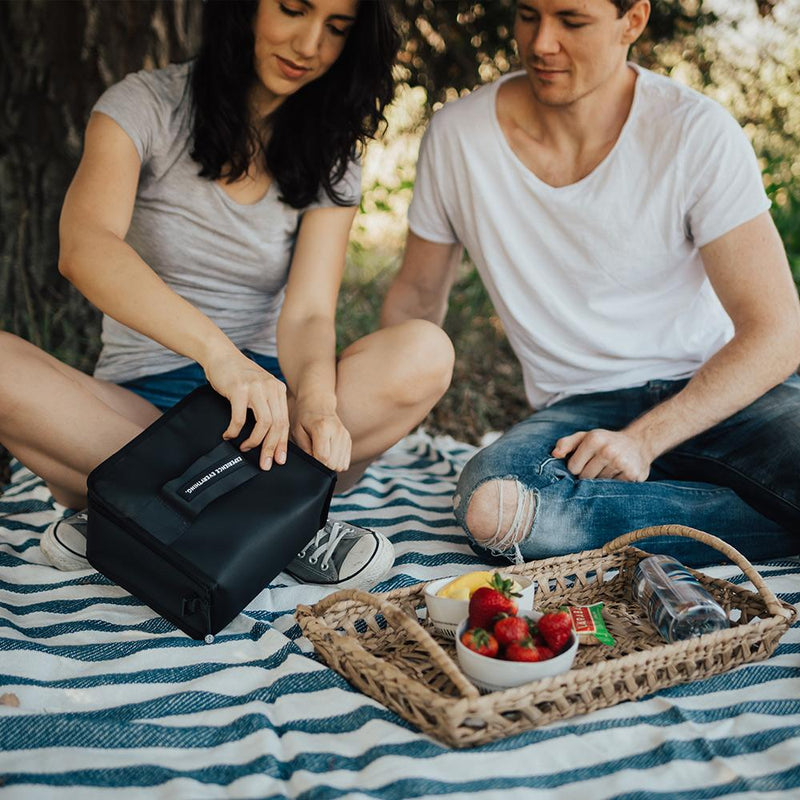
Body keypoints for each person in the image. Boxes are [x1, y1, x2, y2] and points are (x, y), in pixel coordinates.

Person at [0, 0, 454, 587]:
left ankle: (143, 513)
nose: (310, 44)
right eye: (293, 9)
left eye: (337, 28)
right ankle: (278, 520)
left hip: (274, 423)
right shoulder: (142, 104)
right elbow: (85, 248)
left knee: (426, 351)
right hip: (141, 416)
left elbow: (311, 312)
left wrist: (315, 404)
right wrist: (221, 358)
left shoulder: (334, 154)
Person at [381, 0, 800, 567]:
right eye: (528, 15)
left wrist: (644, 440)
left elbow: (778, 330)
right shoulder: (458, 136)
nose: (541, 43)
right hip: (577, 411)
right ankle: (767, 526)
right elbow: (416, 297)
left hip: (715, 392)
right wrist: (370, 413)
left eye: (571, 21)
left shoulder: (694, 131)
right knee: (497, 511)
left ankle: (653, 513)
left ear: (633, 21)